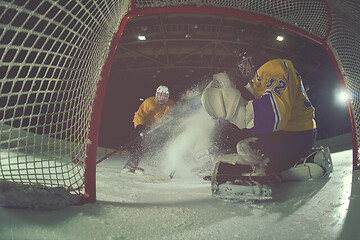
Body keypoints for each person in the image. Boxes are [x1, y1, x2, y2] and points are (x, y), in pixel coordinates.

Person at [201, 47, 333, 199]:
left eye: (246, 64)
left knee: (233, 150)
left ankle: (254, 174)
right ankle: (292, 164)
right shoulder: (260, 78)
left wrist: (235, 112)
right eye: (241, 66)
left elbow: (274, 116)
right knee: (225, 134)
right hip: (295, 136)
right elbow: (250, 101)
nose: (244, 69)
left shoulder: (272, 68)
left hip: (292, 137)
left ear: (256, 59)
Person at [122, 85, 175, 173]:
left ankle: (152, 166)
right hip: (144, 127)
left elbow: (171, 116)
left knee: (158, 146)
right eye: (160, 95)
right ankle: (130, 166)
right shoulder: (149, 102)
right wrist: (139, 127)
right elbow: (139, 115)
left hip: (157, 128)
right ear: (156, 94)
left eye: (164, 96)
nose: (162, 98)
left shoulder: (170, 104)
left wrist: (175, 118)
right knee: (140, 145)